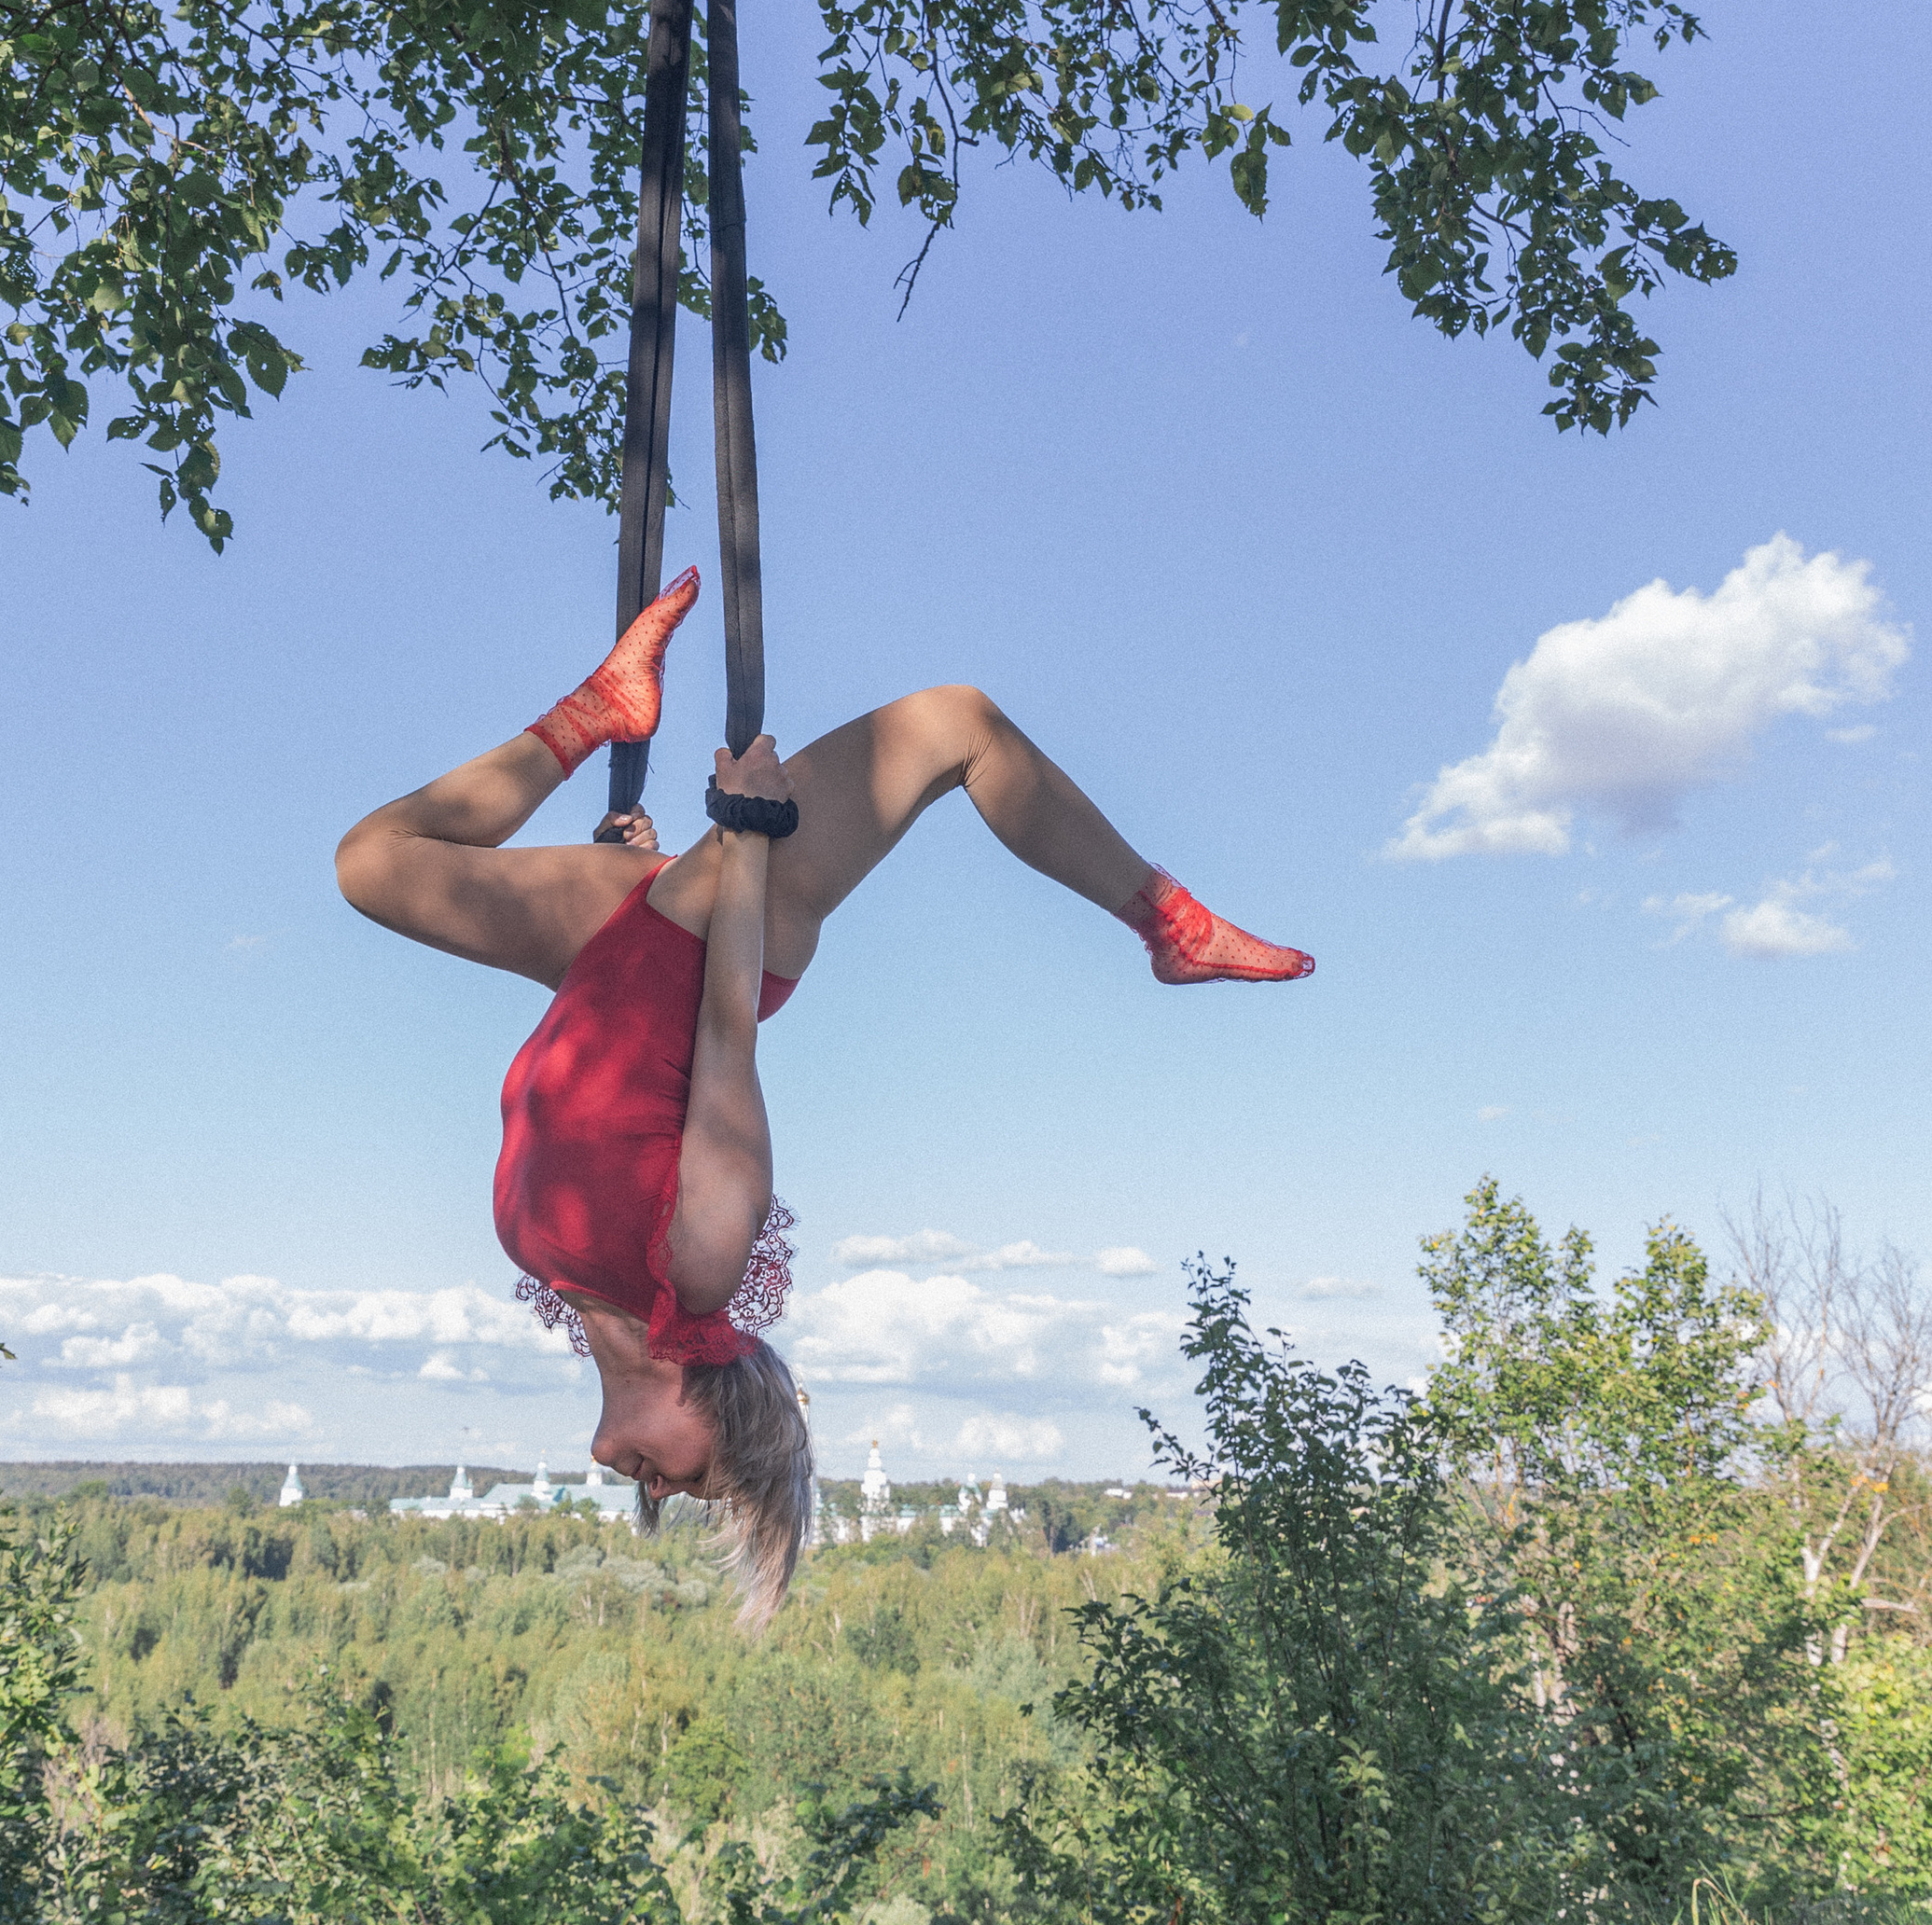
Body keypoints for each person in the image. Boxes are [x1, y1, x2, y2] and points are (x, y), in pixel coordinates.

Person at [335, 568, 1311, 1623]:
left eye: (671, 1497)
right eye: (698, 1479)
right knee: (957, 724)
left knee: (371, 865)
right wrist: (743, 834)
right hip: (712, 935)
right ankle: (1166, 921)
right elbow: (724, 1037)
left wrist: (621, 871)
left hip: (606, 951)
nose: (658, 1493)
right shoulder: (695, 1267)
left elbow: (584, 1087)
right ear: (722, 1415)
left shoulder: (574, 1282)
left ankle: (601, 709)